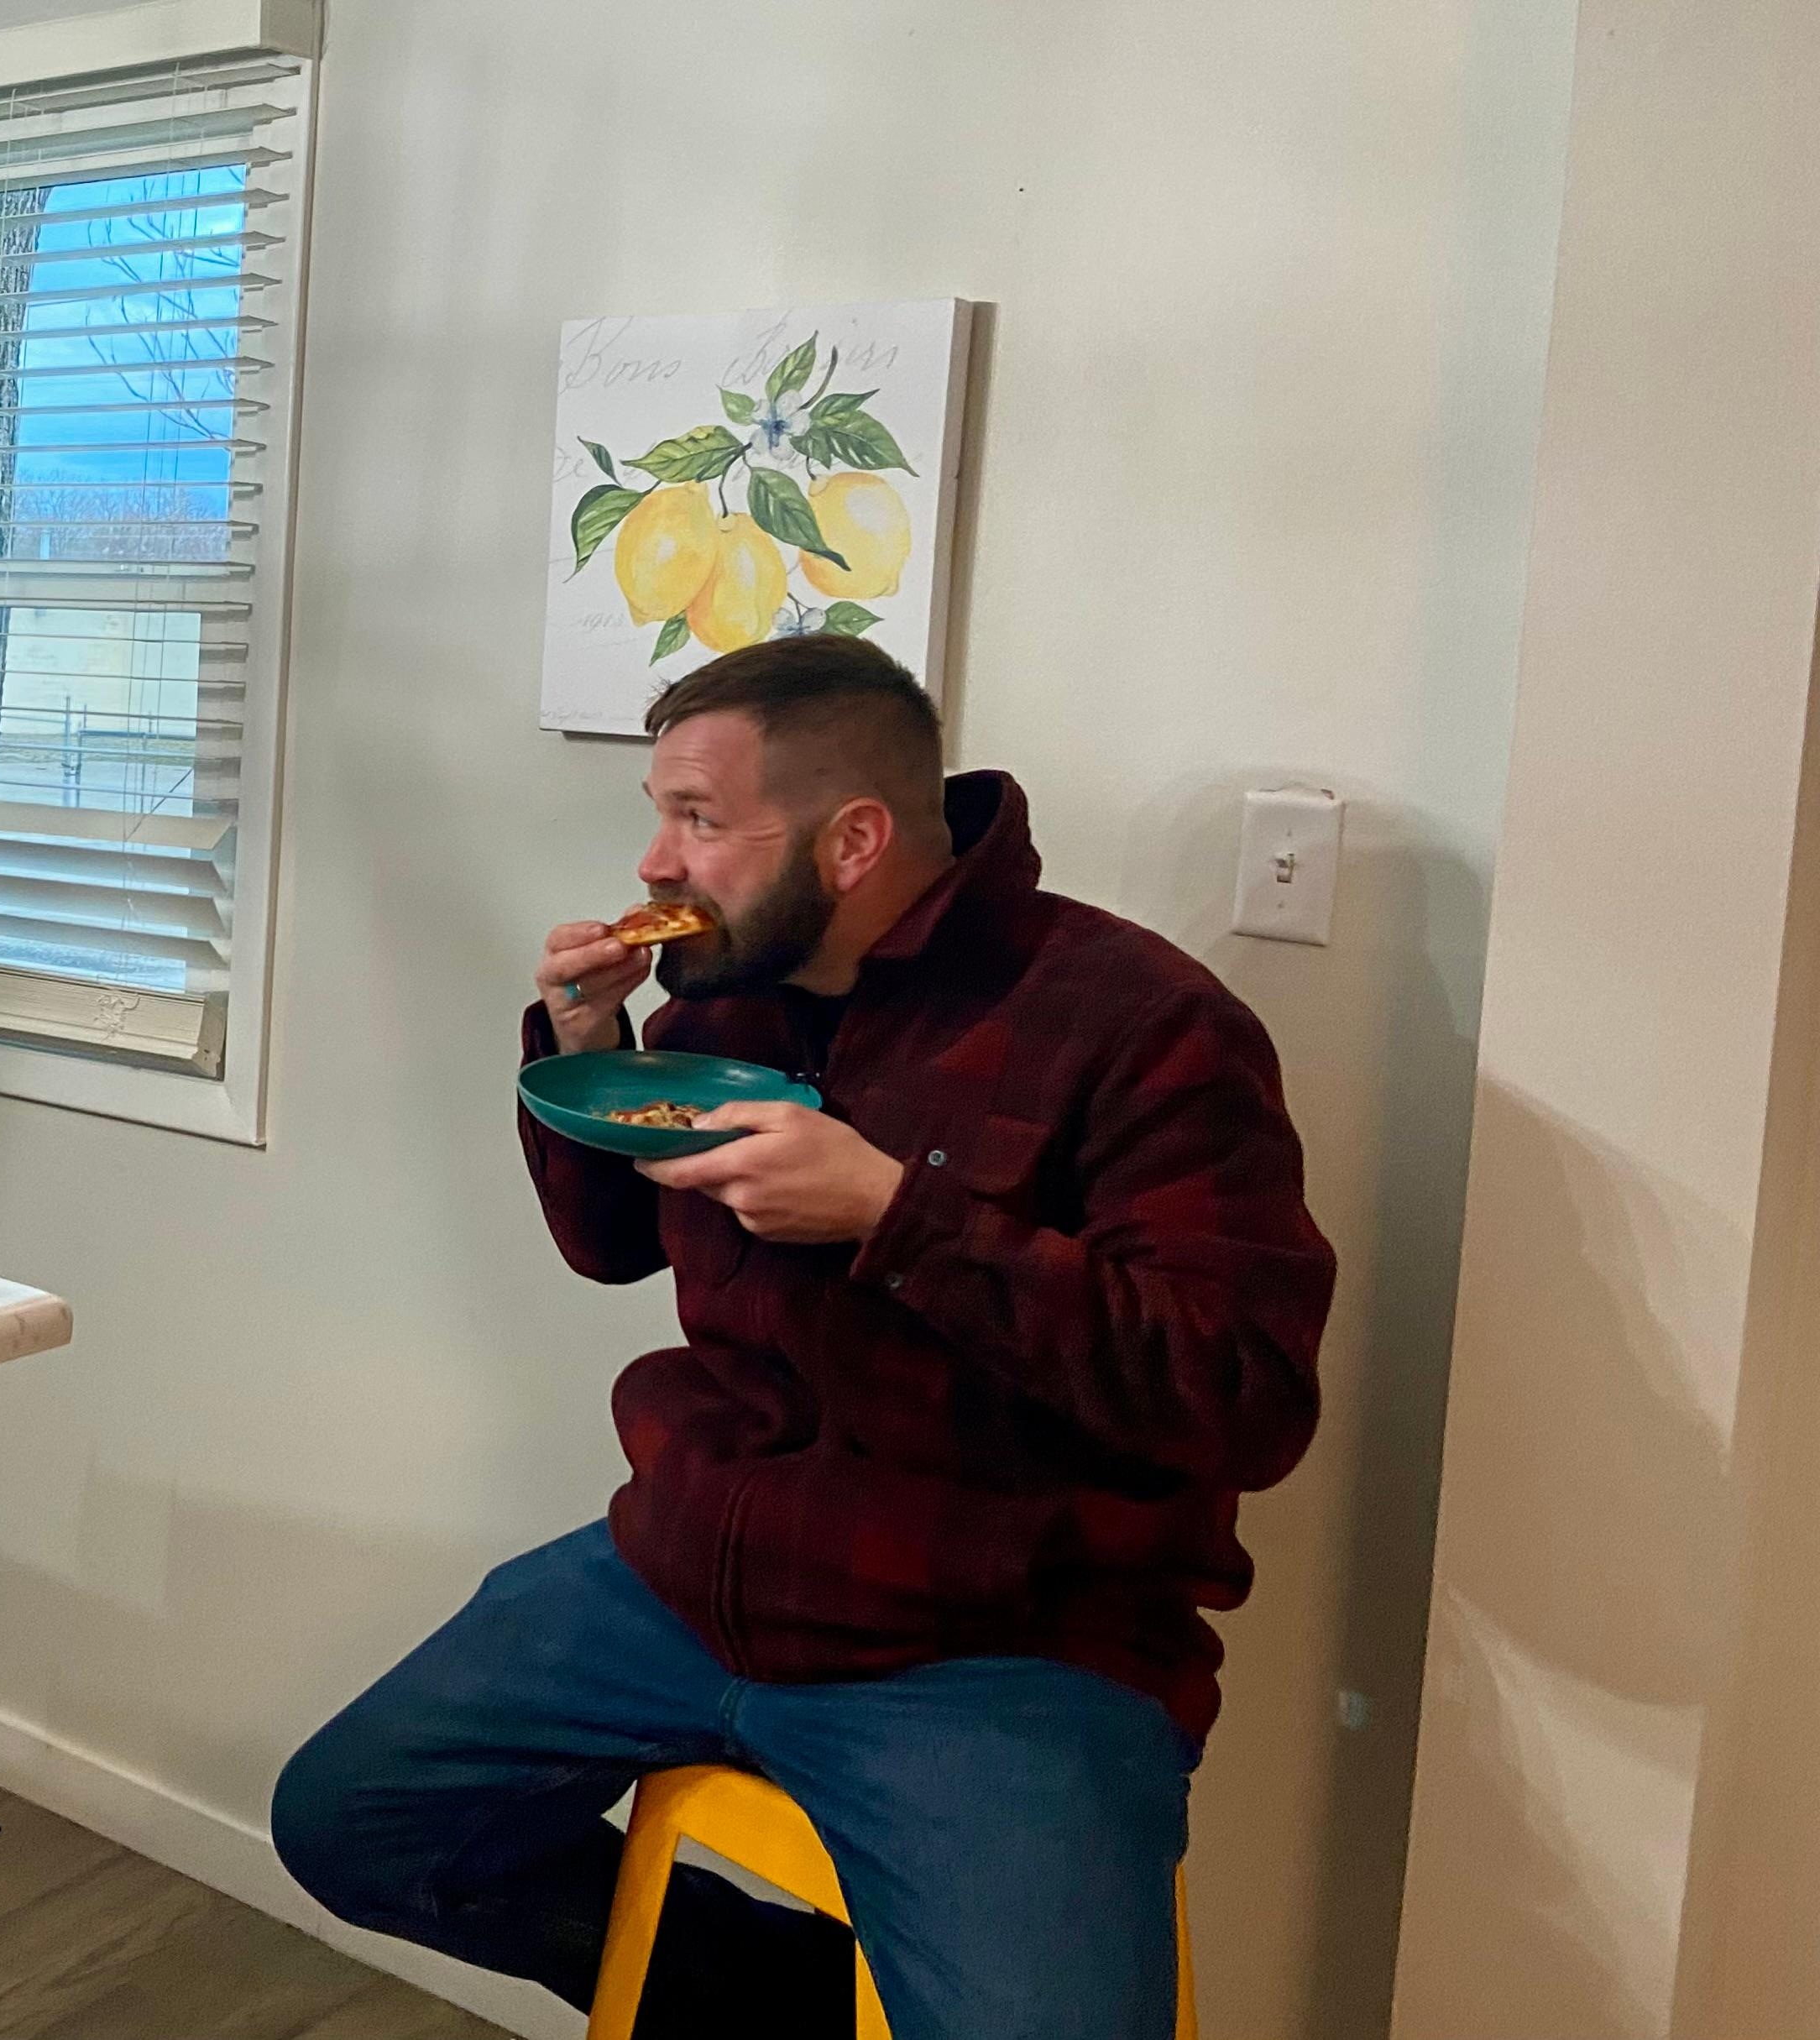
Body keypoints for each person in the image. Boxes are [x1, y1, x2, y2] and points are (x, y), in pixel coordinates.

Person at [270, 636, 1331, 2040]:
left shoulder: (1142, 1024)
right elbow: (612, 1245)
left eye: (698, 819)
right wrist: (584, 1049)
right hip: (686, 1567)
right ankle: (798, 2010)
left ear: (853, 841)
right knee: (351, 1819)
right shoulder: (727, 998)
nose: (654, 862)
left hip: (1002, 1637)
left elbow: (1242, 1394)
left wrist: (897, 1215)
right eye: (658, 813)